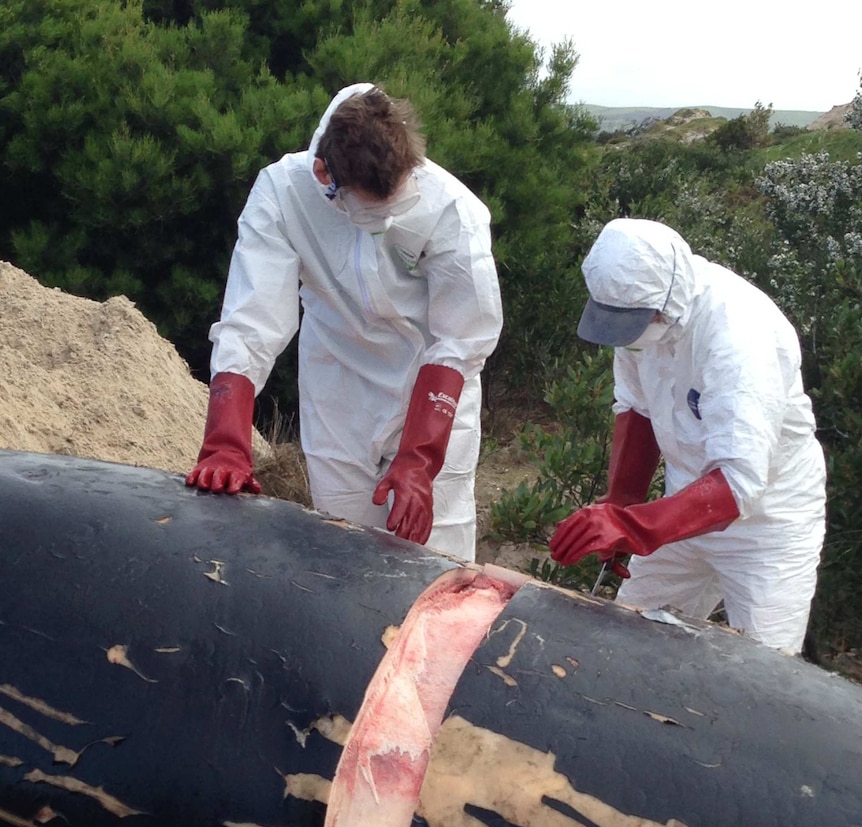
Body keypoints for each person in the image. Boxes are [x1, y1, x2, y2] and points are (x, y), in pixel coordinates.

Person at [186, 82, 503, 563]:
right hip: (338, 386)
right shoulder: (283, 192)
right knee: (343, 551)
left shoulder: (452, 210)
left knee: (438, 561)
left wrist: (419, 459)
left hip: (433, 386)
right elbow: (251, 320)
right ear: (324, 177)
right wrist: (226, 442)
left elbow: (461, 339)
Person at [550, 218, 826, 655]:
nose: (628, 335)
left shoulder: (738, 335)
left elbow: (740, 483)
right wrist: (621, 504)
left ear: (665, 301)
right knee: (630, 637)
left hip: (768, 523)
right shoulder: (637, 318)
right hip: (683, 501)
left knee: (762, 669)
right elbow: (637, 407)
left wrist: (634, 528)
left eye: (635, 321)